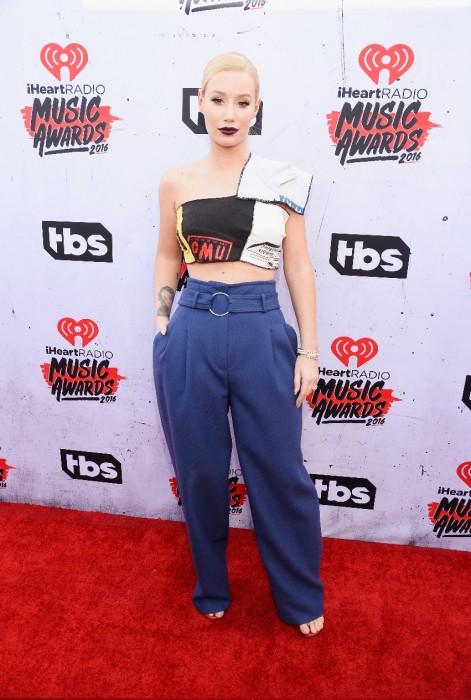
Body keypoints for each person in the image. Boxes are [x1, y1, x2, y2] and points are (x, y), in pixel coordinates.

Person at [152, 51, 324, 638]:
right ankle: (211, 585)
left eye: (242, 102)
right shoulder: (176, 180)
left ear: (256, 109)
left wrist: (309, 350)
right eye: (219, 100)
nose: (230, 113)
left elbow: (298, 267)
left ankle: (300, 596)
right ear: (200, 104)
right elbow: (167, 255)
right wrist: (163, 320)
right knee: (200, 471)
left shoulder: (283, 179)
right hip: (192, 328)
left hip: (261, 328)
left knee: (279, 469)